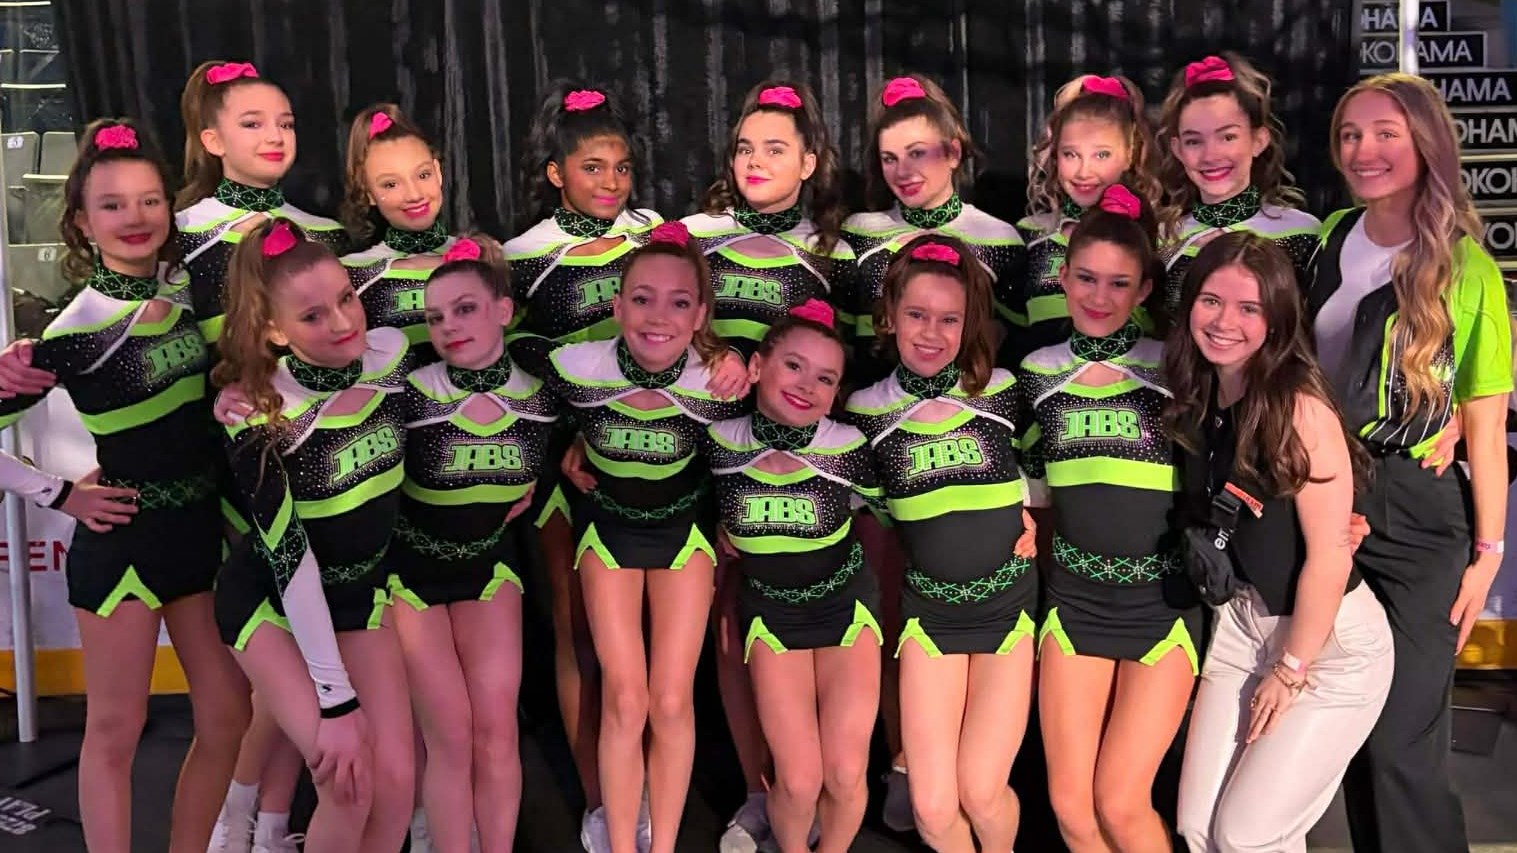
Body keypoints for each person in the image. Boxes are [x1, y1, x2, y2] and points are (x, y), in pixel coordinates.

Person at [0, 119, 249, 853]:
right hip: (123, 549)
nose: (135, 217)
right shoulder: (72, 330)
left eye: (149, 200)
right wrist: (57, 494)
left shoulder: (190, 291)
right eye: (112, 205)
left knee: (229, 714)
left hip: (197, 536)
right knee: (116, 728)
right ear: (81, 221)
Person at [1311, 73, 1511, 853]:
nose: (1363, 149)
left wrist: (1485, 556)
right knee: (1353, 729)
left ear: (1425, 143)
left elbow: (1485, 427)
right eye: (1350, 134)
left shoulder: (1467, 269)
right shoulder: (1330, 234)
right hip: (1329, 498)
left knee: (1404, 738)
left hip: (1419, 515)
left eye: (1384, 132)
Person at [522, 221, 746, 853]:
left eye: (679, 303)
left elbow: (756, 444)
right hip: (610, 535)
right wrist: (567, 443)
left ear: (700, 316)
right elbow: (514, 363)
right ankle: (622, 841)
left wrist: (733, 356)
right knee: (625, 698)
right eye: (642, 299)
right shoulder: (578, 366)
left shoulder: (717, 383)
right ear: (616, 306)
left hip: (682, 537)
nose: (658, 317)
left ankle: (664, 842)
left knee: (671, 701)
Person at [1167, 233, 1393, 852]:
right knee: (1199, 828)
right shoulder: (1200, 394)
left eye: (1249, 308)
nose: (1225, 322)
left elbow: (1328, 556)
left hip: (1326, 646)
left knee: (1247, 834)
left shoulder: (1298, 407)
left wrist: (1291, 669)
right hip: (1242, 628)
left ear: (1277, 320)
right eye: (1212, 301)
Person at [841, 73, 1025, 830]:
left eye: (919, 152)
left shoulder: (1000, 241)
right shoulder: (859, 234)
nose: (903, 170)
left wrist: (1024, 503)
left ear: (953, 151)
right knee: (889, 607)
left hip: (991, 527)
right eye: (889, 158)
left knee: (981, 789)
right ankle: (903, 759)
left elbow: (1026, 390)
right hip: (897, 470)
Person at [681, 78, 853, 851]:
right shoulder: (696, 236)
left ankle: (806, 783)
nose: (755, 160)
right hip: (708, 452)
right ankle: (760, 790)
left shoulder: (830, 250)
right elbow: (658, 319)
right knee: (729, 626)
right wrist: (713, 347)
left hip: (799, 466)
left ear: (808, 162)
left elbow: (849, 355)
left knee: (795, 617)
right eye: (745, 147)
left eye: (775, 149)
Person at [212, 218, 416, 853]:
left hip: (358, 595)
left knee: (397, 786)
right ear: (274, 331)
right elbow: (290, 558)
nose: (342, 322)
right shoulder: (257, 414)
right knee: (348, 784)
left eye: (346, 298)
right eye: (312, 316)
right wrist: (336, 702)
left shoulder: (391, 354)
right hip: (272, 604)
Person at [1018, 184, 1197, 853]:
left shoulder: (1174, 366)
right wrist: (1021, 514)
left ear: (1144, 289)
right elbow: (1022, 468)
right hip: (1075, 600)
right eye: (1086, 278)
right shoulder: (1035, 372)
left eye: (1118, 283)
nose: (1099, 296)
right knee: (1071, 809)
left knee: (1119, 803)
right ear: (1062, 277)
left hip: (1160, 604)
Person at [388, 238, 553, 853]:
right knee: (451, 735)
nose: (449, 327)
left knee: (496, 732)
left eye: (465, 309)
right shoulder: (407, 392)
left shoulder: (543, 395)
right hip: (412, 576)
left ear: (503, 311)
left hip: (489, 568)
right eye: (435, 317)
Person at [708, 299, 883, 853]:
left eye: (825, 378)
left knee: (845, 773)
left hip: (845, 609)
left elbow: (905, 510)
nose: (807, 385)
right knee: (800, 780)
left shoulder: (848, 447)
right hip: (771, 614)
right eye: (793, 366)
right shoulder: (719, 440)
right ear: (757, 367)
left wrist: (1017, 513)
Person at [176, 60, 347, 349]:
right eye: (252, 124)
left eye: (286, 124)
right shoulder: (182, 233)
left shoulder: (329, 233)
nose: (275, 137)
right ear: (214, 141)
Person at [1155, 53, 1320, 311]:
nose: (1210, 156)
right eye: (1194, 141)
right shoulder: (1162, 237)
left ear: (1259, 141)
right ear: (1177, 149)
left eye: (1228, 137)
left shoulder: (1303, 233)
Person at [1019, 73, 1161, 357]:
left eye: (1102, 155)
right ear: (1055, 155)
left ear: (1129, 153)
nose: (1084, 172)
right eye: (1071, 155)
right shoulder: (1030, 234)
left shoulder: (1157, 236)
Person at [338, 103, 459, 363]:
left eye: (423, 175)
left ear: (438, 172)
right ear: (368, 193)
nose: (414, 195)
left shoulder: (484, 258)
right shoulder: (349, 275)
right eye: (391, 184)